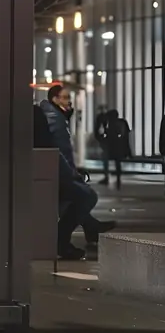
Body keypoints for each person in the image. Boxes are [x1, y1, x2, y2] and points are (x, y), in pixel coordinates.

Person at [39, 86, 115, 256]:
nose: (69, 101)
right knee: (84, 197)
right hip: (59, 170)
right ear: (55, 99)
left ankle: (90, 227)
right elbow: (61, 150)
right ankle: (64, 240)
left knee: (68, 202)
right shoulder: (54, 118)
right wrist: (72, 173)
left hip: (57, 169)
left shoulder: (54, 115)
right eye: (65, 98)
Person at [99, 109, 132, 189]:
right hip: (118, 146)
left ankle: (108, 177)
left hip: (113, 146)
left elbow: (107, 134)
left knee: (107, 160)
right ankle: (117, 178)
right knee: (117, 162)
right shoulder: (120, 123)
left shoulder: (112, 124)